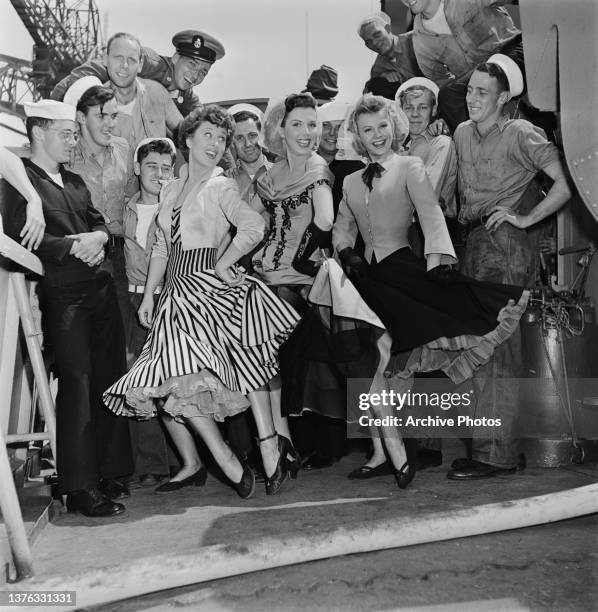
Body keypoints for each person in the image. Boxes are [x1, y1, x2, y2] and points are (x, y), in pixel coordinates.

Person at [330, 93, 530, 488]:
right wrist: (345, 251)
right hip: (364, 282)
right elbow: (342, 225)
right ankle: (382, 454)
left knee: (401, 356)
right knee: (373, 365)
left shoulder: (410, 165)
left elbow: (430, 212)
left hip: (402, 274)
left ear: (395, 126)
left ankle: (402, 452)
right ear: (357, 135)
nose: (378, 135)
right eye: (368, 130)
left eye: (383, 126)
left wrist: (440, 256)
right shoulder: (351, 180)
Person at [103, 105, 300, 497]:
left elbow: (253, 226)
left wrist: (224, 262)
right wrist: (149, 297)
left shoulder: (221, 186)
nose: (216, 144)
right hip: (174, 293)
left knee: (246, 361)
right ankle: (224, 457)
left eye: (221, 138)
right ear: (188, 140)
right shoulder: (171, 187)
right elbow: (161, 244)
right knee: (174, 383)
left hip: (207, 285)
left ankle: (268, 445)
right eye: (208, 135)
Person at [1, 100, 133, 517]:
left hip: (100, 291)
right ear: (38, 133)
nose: (73, 140)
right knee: (76, 386)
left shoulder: (74, 181)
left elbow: (101, 223)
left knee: (110, 380)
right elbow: (24, 239)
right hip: (64, 297)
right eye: (66, 133)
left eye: (74, 133)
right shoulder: (21, 184)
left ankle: (112, 471)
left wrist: (97, 238)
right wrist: (80, 245)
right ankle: (78, 488)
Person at [449, 55, 571, 480]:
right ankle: (490, 447)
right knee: (477, 346)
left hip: (506, 246)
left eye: (482, 92)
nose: (472, 99)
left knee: (499, 348)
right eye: (469, 90)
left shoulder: (521, 132)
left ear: (504, 98)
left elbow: (566, 180)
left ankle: (496, 455)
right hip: (473, 244)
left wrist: (527, 218)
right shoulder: (462, 133)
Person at [252, 93, 335, 465]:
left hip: (299, 281)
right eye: (297, 124)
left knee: (270, 353)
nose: (306, 132)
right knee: (261, 357)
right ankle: (279, 441)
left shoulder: (317, 169)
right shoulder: (272, 175)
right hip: (268, 274)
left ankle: (284, 441)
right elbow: (250, 221)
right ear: (280, 130)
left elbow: (326, 220)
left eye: (312, 124)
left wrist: (302, 258)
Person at [122, 137, 180, 489]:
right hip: (133, 300)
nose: (158, 174)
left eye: (165, 167)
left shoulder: (178, 206)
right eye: (151, 166)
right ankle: (151, 463)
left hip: (169, 298)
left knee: (174, 379)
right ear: (137, 168)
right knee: (139, 380)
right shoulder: (124, 208)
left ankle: (182, 460)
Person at [400, 0, 522, 131]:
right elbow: (441, 82)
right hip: (480, 81)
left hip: (513, 54)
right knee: (448, 96)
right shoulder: (420, 41)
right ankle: (484, 144)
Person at [51, 30, 225, 116]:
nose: (195, 76)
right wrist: (55, 107)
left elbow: (206, 122)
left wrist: (230, 169)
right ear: (176, 57)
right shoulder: (149, 63)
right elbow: (94, 69)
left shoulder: (186, 97)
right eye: (192, 65)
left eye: (203, 72)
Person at [357, 12, 421, 95]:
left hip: (439, 90)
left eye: (377, 35)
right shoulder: (378, 68)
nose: (375, 43)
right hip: (413, 103)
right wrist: (383, 77)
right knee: (377, 83)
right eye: (369, 41)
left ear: (388, 29)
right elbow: (368, 95)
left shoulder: (416, 39)